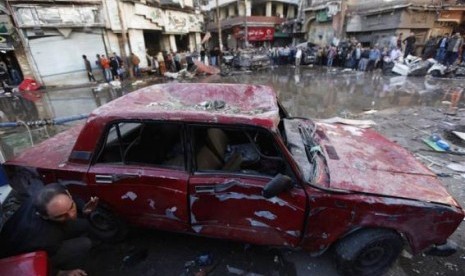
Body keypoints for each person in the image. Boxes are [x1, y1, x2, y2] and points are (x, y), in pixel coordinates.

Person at [0, 183, 99, 276]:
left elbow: (72, 200)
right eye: (61, 216)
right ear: (44, 216)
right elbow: (34, 263)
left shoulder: (52, 194)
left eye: (71, 206)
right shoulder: (43, 240)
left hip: (16, 235)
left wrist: (83, 209)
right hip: (19, 256)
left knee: (83, 224)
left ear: (67, 193)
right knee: (85, 243)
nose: (72, 215)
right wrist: (61, 273)